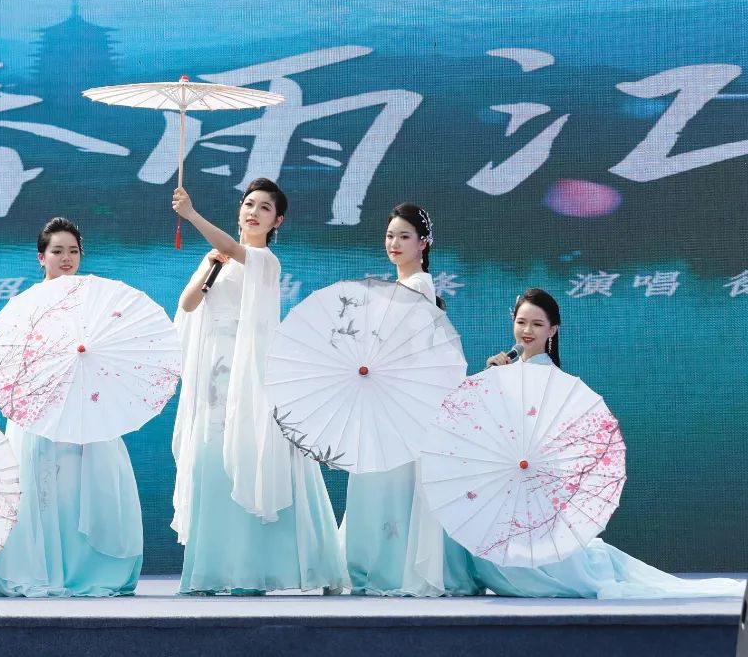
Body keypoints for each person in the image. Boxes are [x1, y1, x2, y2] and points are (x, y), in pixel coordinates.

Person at [468, 289, 745, 598]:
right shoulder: (508, 370)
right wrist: (490, 380)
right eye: (521, 322)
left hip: (532, 477)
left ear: (552, 330)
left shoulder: (547, 376)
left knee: (546, 568)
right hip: (508, 476)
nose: (527, 331)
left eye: (537, 324)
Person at [170, 179, 346, 595]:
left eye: (265, 208)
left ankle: (260, 570)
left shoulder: (265, 261)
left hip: (251, 375)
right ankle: (215, 571)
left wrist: (191, 215)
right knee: (212, 460)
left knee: (256, 460)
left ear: (276, 221)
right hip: (215, 373)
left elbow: (237, 250)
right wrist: (209, 269)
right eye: (249, 204)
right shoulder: (217, 258)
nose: (253, 212)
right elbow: (188, 304)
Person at [0, 217, 143, 597]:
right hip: (39, 406)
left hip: (86, 405)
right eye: (57, 251)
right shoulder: (25, 306)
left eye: (73, 251)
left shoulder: (96, 300)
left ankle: (84, 570)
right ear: (41, 257)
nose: (66, 258)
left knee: (81, 486)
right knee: (43, 489)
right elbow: (14, 359)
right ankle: (44, 569)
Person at [341, 203, 481, 596]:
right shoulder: (399, 286)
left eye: (404, 236)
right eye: (390, 236)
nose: (395, 243)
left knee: (389, 481)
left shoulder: (417, 285)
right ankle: (379, 566)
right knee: (381, 480)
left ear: (423, 243)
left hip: (399, 398)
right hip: (386, 394)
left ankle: (387, 569)